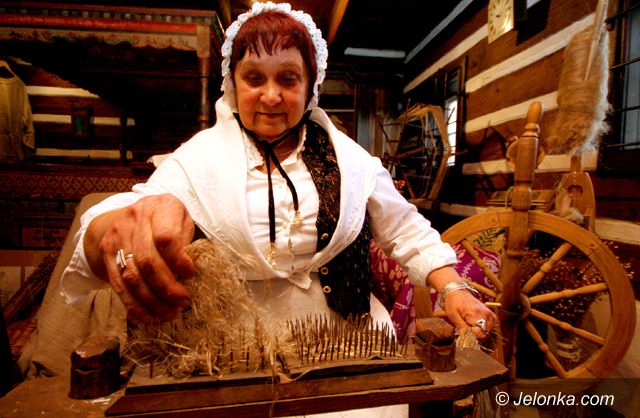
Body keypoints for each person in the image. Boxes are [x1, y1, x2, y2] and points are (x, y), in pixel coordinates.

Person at [28, 3, 496, 416]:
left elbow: (405, 229)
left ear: (310, 86)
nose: (271, 96)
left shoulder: (352, 159)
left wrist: (453, 287)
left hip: (345, 345)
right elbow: (129, 211)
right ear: (233, 83)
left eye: (288, 79)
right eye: (254, 78)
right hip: (237, 354)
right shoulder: (198, 158)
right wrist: (110, 229)